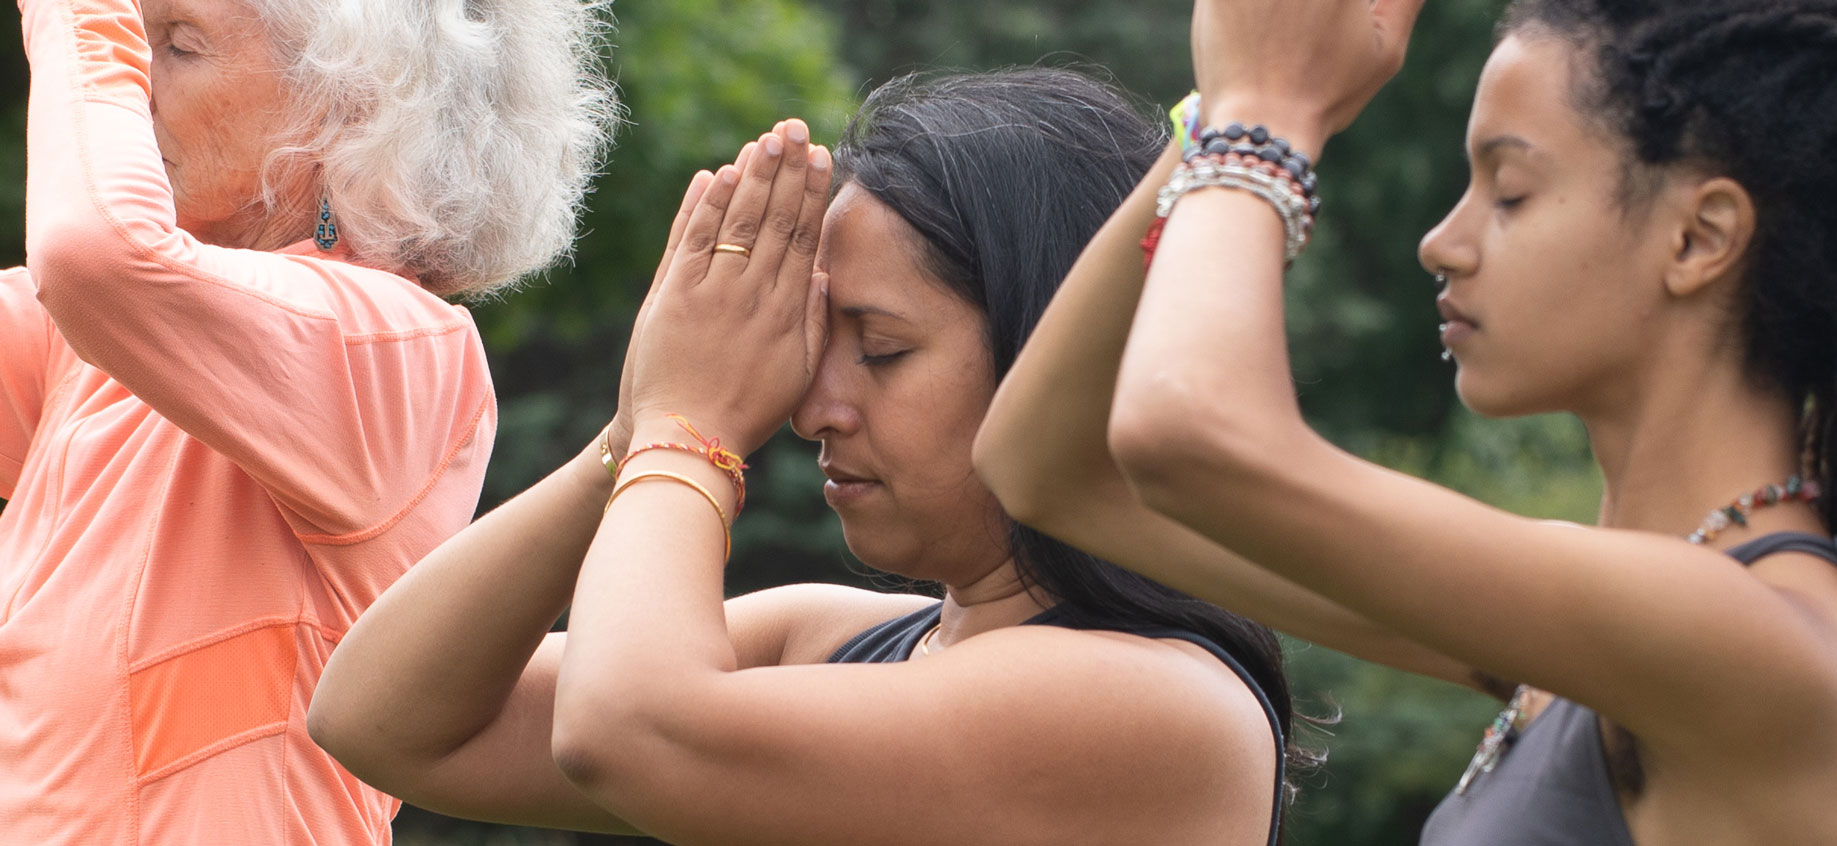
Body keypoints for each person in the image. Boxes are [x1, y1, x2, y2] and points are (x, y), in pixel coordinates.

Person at [975, 0, 1837, 843]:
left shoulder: (1764, 644)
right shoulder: (1593, 626)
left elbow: (1182, 433)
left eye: (1508, 191)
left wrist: (1267, 114)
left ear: (1698, 237)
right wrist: (1221, 108)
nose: (1444, 240)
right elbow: (1042, 468)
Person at [307, 69, 1306, 846]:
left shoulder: (1158, 706)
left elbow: (628, 730)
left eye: (881, 349)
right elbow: (381, 719)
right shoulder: (835, 639)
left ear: (1055, 352)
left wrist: (684, 427)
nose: (812, 408)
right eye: (813, 350)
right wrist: (637, 425)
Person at [0, 0, 615, 840]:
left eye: (178, 45)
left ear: (350, 107)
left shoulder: (395, 345)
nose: (132, 84)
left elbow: (95, 253)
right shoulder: (113, 334)